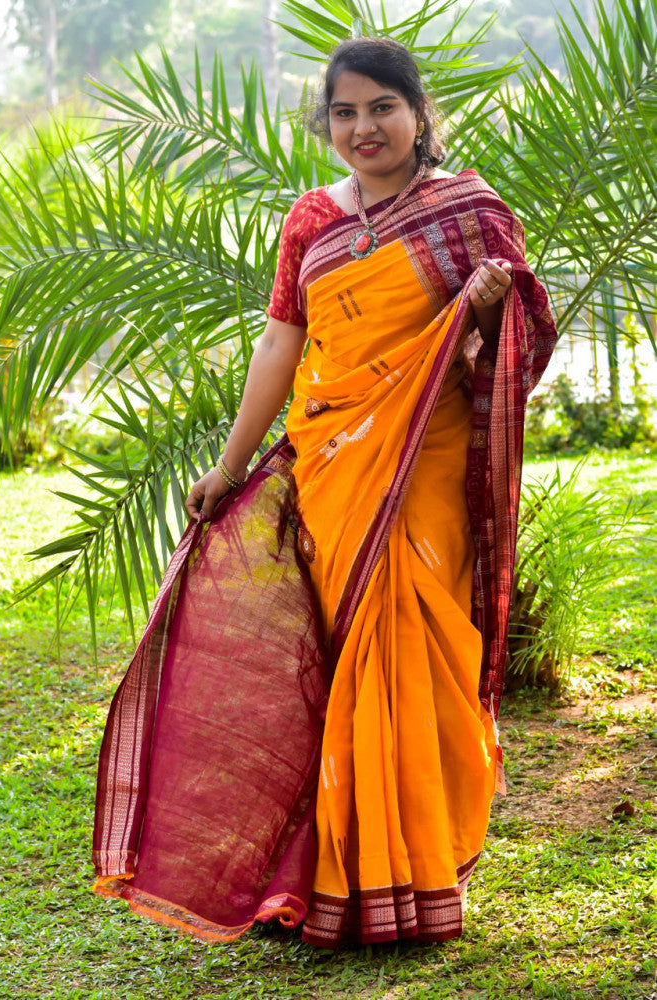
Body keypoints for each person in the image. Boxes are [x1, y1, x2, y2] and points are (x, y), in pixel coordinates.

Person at [92, 37, 557, 949]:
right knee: (343, 659)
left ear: (419, 114)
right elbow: (282, 341)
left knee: (412, 649)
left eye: (382, 107)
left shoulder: (470, 213)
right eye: (345, 112)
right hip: (332, 463)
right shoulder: (311, 219)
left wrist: (488, 309)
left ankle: (410, 874)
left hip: (424, 464)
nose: (363, 127)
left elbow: (515, 349)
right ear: (326, 123)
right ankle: (320, 876)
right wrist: (229, 467)